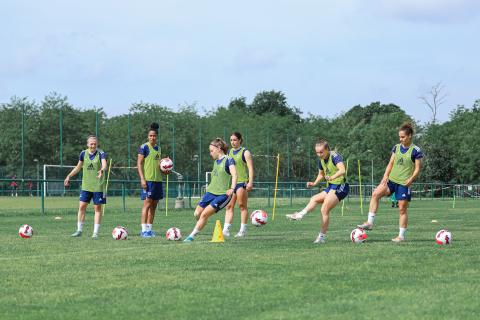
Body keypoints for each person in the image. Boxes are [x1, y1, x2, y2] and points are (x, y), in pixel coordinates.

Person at [357, 122, 423, 242]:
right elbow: (391, 163)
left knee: (402, 209)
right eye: (399, 137)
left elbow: (418, 168)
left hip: (404, 183)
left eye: (403, 137)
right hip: (391, 180)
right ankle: (370, 223)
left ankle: (401, 236)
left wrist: (411, 179)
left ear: (409, 136)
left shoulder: (416, 150)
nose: (400, 139)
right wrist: (385, 175)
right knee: (375, 194)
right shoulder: (396, 147)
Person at [286, 139, 349, 244]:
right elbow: (321, 174)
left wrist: (332, 176)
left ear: (327, 150)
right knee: (314, 199)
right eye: (317, 152)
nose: (319, 154)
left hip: (341, 186)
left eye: (321, 152)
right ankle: (300, 215)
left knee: (324, 209)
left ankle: (321, 238)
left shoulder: (335, 156)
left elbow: (342, 170)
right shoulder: (321, 160)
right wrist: (314, 183)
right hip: (332, 186)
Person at [184, 138, 237, 242]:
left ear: (219, 148)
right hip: (210, 193)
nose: (210, 153)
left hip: (223, 194)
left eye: (212, 151)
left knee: (204, 214)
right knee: (197, 214)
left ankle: (191, 236)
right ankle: (201, 223)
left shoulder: (229, 160)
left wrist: (232, 188)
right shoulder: (216, 162)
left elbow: (235, 174)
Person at [64, 135, 107, 239]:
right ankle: (79, 230)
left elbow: (104, 165)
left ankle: (95, 233)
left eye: (95, 144)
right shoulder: (83, 153)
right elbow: (78, 167)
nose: (93, 146)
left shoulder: (101, 153)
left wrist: (101, 170)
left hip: (98, 187)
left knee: (97, 208)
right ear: (87, 144)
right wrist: (68, 176)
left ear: (97, 144)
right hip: (86, 186)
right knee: (82, 207)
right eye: (91, 144)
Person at [223, 132, 254, 238]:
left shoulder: (245, 152)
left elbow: (250, 168)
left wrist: (250, 182)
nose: (233, 142)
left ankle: (243, 230)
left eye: (235, 140)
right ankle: (226, 230)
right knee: (229, 206)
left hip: (242, 183)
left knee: (242, 206)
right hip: (232, 184)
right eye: (231, 140)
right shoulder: (229, 152)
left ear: (240, 140)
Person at [137, 122, 165, 238]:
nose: (152, 137)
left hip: (158, 180)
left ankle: (149, 229)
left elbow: (159, 165)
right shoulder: (144, 147)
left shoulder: (159, 148)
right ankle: (143, 230)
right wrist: (142, 179)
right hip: (148, 180)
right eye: (150, 136)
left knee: (154, 205)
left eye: (154, 136)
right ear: (148, 137)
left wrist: (165, 169)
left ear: (156, 137)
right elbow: (139, 163)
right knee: (147, 204)